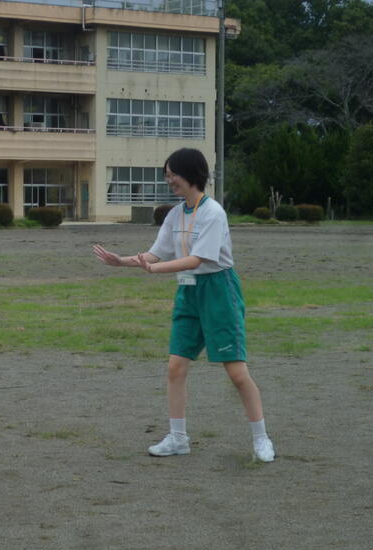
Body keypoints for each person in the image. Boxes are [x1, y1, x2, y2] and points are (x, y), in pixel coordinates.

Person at [93, 148, 275, 462]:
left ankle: (261, 439)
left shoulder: (213, 212)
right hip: (188, 291)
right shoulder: (176, 214)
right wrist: (120, 261)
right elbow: (154, 254)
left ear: (191, 173)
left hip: (218, 290)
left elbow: (198, 259)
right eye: (167, 175)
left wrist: (156, 269)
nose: (169, 181)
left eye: (172, 174)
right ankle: (178, 438)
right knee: (176, 367)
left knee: (236, 372)